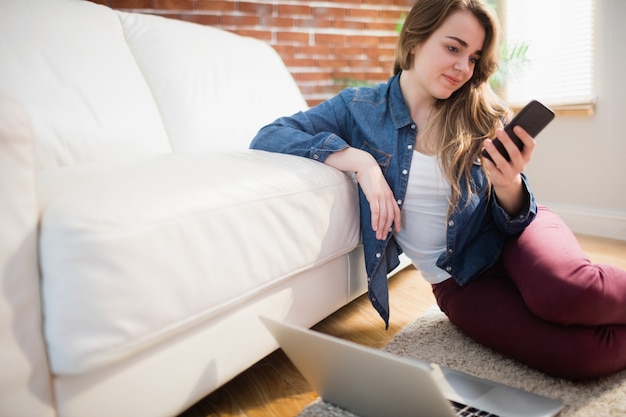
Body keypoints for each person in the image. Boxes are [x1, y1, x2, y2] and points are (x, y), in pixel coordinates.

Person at [250, 0, 626, 381]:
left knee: (568, 295)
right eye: (453, 48)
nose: (464, 68)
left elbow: (516, 215)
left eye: (474, 57)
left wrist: (508, 183)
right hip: (458, 281)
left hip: (518, 236)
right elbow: (271, 135)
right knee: (583, 356)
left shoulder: (483, 112)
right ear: (415, 40)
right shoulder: (359, 108)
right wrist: (360, 162)